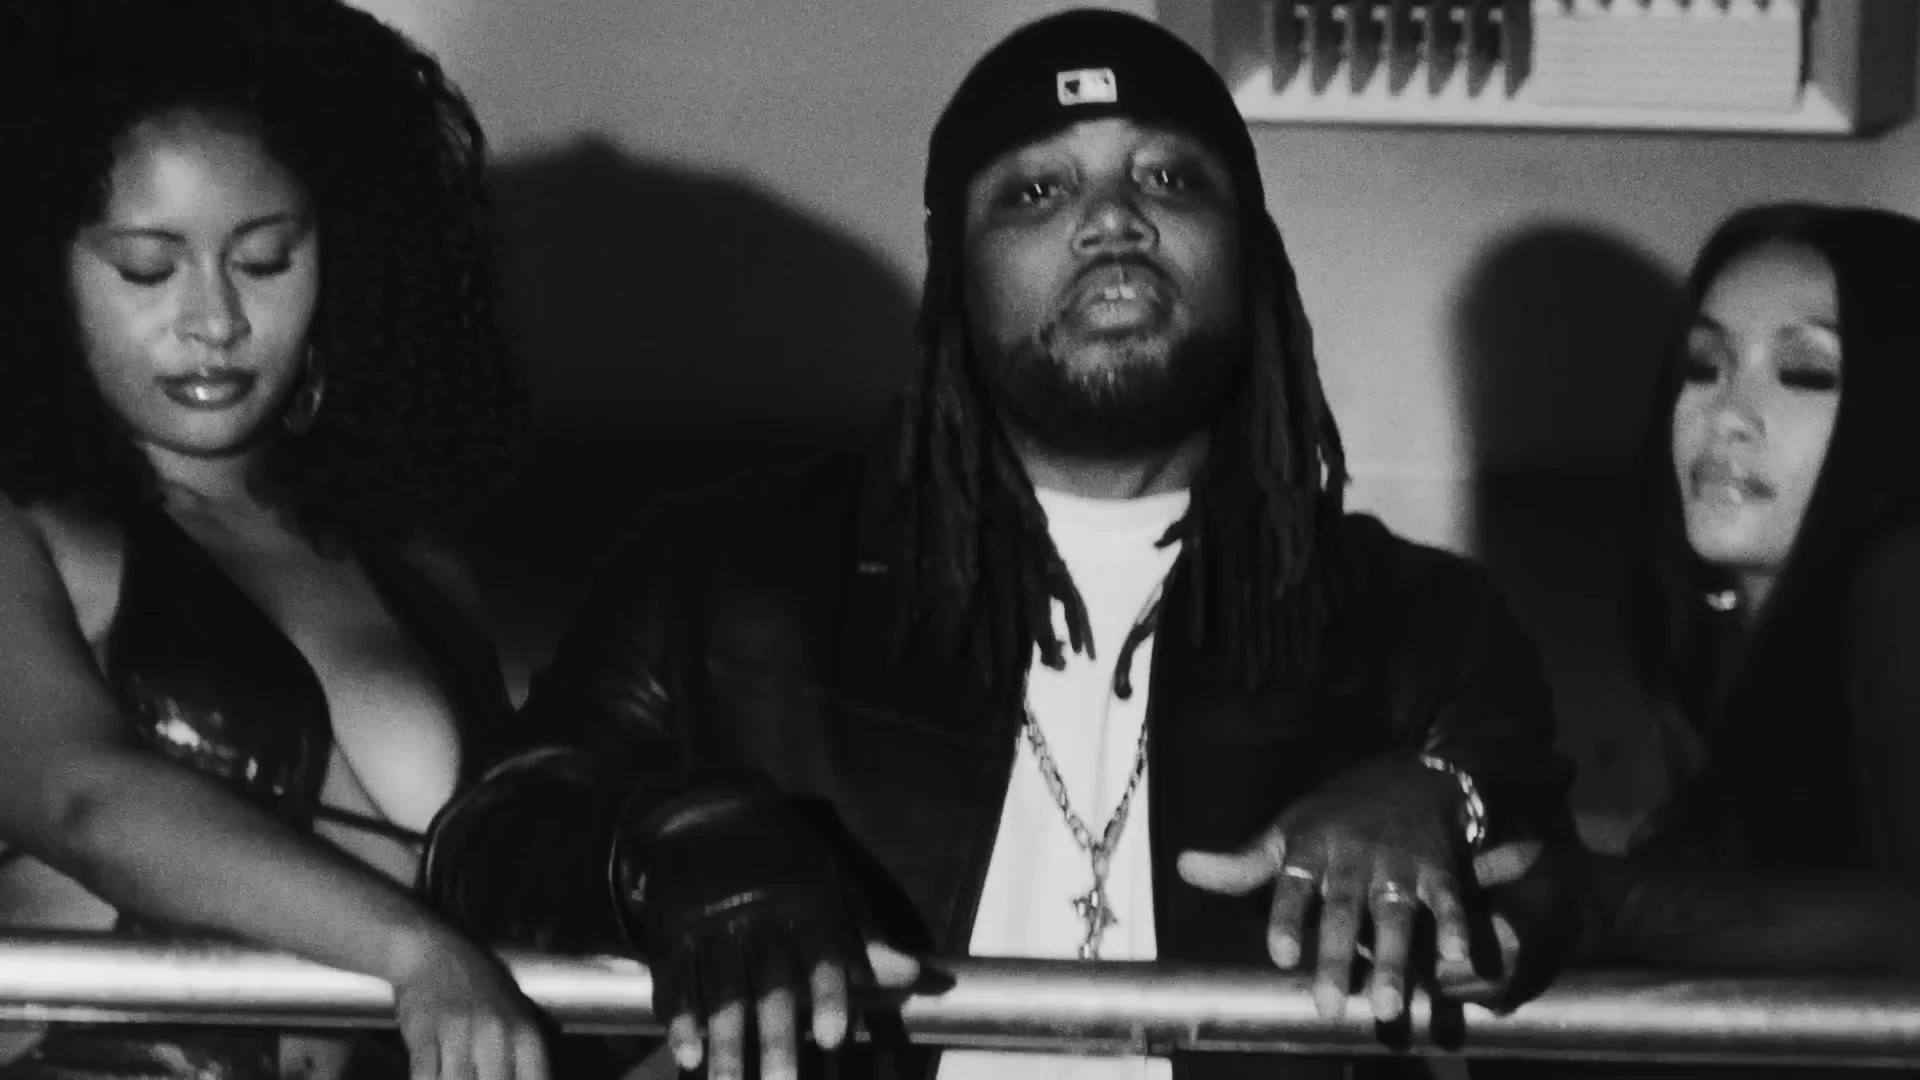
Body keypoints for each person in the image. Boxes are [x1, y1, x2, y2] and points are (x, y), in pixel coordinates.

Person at [426, 10, 1580, 1080]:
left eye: (1170, 177)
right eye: (1035, 192)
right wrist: (673, 845)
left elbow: (1557, 875)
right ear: (958, 278)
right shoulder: (724, 576)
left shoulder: (1418, 624)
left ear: (1251, 251)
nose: (1114, 220)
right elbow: (490, 840)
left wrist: (1445, 800)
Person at [0, 1, 550, 1077]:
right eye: (147, 269)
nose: (215, 321)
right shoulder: (24, 534)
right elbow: (82, 801)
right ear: (32, 275)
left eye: (263, 260)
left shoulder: (415, 564)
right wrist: (418, 954)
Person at [1474, 204, 1920, 1077]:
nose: (1728, 416)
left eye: (1805, 373)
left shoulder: (1904, 579)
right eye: (1704, 366)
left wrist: (1611, 905)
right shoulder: (1730, 667)